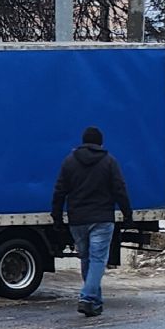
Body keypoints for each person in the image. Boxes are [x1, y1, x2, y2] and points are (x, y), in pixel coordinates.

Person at [52, 126, 130, 318]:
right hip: (102, 219)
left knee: (87, 259)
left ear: (83, 141)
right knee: (98, 260)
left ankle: (95, 302)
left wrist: (57, 216)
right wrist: (127, 214)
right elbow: (119, 188)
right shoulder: (109, 162)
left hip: (77, 220)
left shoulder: (69, 162)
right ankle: (87, 297)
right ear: (100, 143)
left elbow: (59, 190)